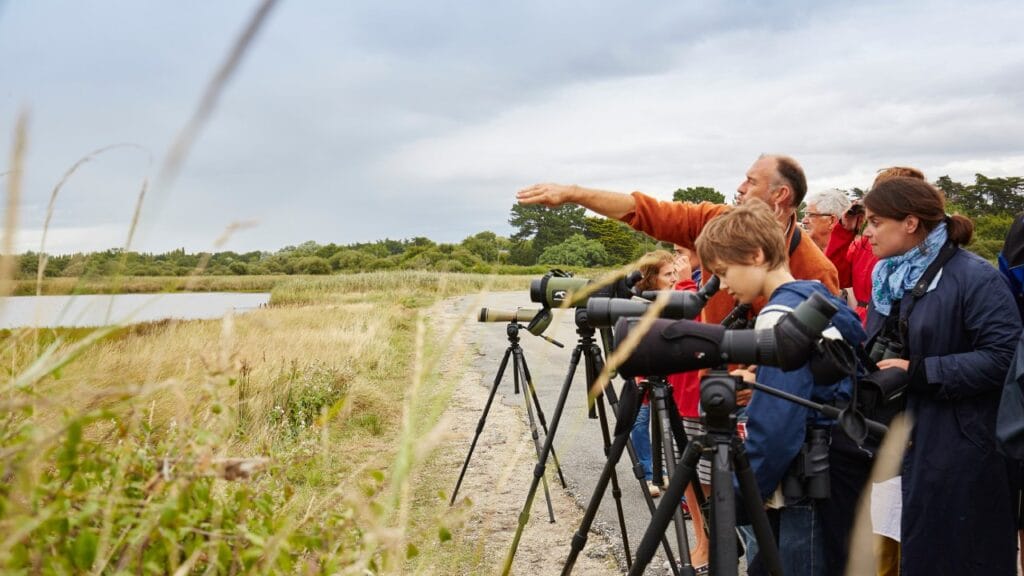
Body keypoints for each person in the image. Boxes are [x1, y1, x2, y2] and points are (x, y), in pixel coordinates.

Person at [692, 200, 865, 576]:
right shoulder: (813, 298)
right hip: (842, 468)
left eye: (723, 272)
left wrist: (736, 497)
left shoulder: (777, 317)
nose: (722, 284)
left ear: (755, 255)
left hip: (807, 480)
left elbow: (777, 428)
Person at [860, 177, 1020, 575]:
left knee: (960, 557)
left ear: (910, 223)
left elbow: (1005, 359)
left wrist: (919, 372)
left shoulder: (976, 278)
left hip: (961, 448)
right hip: (901, 440)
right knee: (907, 552)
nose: (868, 233)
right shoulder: (888, 279)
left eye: (876, 222)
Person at [517, 154, 841, 328]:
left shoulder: (815, 269)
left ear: (780, 194)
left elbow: (818, 355)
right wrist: (575, 194)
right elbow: (645, 211)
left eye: (751, 181)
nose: (740, 188)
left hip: (768, 404)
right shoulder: (715, 220)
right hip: (709, 384)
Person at [826, 167, 925, 325]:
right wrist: (844, 231)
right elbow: (836, 276)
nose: (867, 232)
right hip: (866, 325)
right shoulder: (867, 244)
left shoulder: (924, 255)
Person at [629, 250, 679, 497]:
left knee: (669, 424)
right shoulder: (636, 300)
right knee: (639, 423)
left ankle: (667, 472)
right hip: (642, 369)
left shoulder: (676, 297)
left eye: (674, 273)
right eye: (668, 274)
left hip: (668, 368)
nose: (673, 278)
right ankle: (650, 474)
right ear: (651, 277)